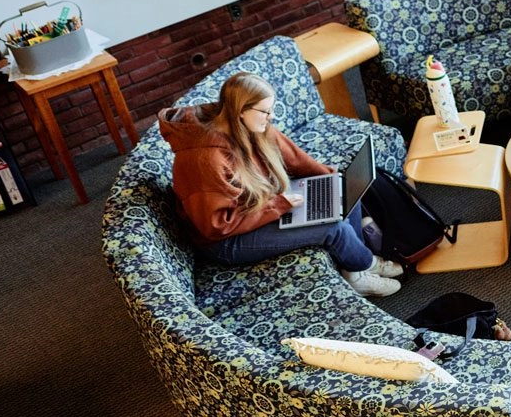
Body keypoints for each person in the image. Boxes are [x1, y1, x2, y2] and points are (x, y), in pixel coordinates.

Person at [160, 72, 401, 298]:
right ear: (240, 111)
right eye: (265, 111)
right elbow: (216, 227)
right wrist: (277, 206)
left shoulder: (249, 125)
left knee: (342, 190)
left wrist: (330, 177)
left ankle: (355, 266)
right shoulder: (205, 159)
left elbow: (293, 158)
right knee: (333, 228)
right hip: (226, 240)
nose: (271, 117)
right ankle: (363, 267)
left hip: (259, 205)